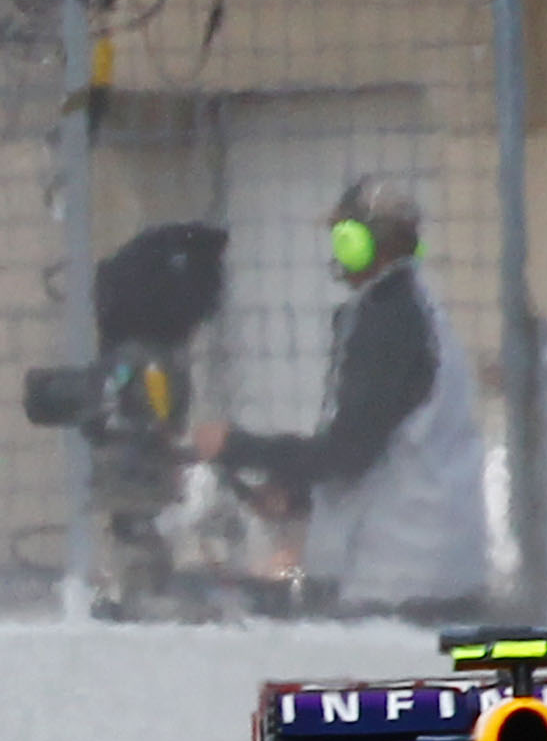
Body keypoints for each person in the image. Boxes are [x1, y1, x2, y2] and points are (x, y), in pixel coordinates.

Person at [197, 176, 490, 619]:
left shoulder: (390, 322)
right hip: (437, 562)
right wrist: (298, 494)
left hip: (401, 574)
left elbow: (350, 450)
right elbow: (385, 443)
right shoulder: (416, 309)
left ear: (368, 243)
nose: (336, 250)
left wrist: (237, 447)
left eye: (343, 237)